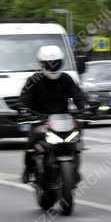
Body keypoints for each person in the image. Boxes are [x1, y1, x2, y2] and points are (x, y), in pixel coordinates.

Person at [19, 45, 91, 183]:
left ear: (61, 63)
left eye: (56, 63)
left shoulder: (66, 79)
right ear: (42, 64)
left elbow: (78, 96)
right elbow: (24, 99)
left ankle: (74, 168)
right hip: (39, 119)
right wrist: (24, 110)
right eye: (49, 64)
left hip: (63, 119)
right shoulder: (34, 80)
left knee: (77, 137)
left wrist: (85, 108)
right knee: (31, 142)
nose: (53, 67)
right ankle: (28, 169)